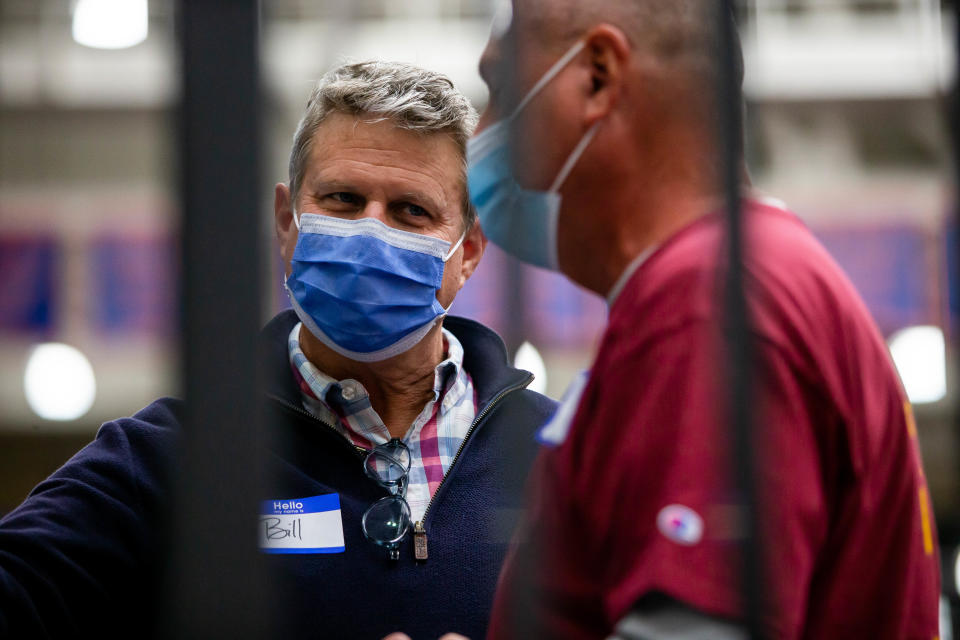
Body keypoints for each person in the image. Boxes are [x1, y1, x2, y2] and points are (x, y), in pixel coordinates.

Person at [0, 61, 556, 640]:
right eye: (342, 199)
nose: (369, 230)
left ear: (467, 252)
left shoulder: (559, 455)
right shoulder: (176, 460)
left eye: (410, 211)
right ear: (286, 224)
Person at [463, 1, 941, 638]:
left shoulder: (706, 305)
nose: (479, 137)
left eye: (499, 91)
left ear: (598, 77)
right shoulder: (746, 277)